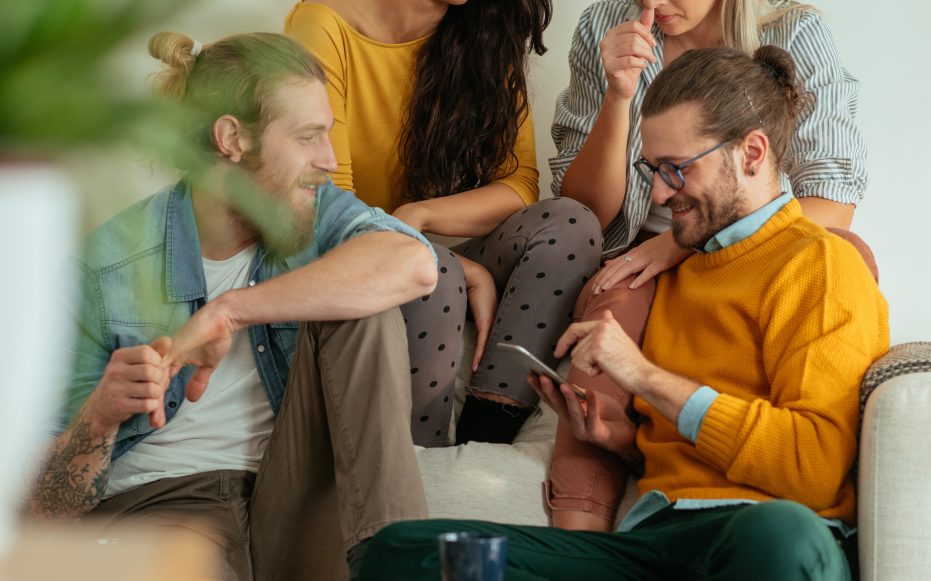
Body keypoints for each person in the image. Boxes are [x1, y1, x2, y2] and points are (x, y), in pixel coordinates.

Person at [360, 45, 890, 581]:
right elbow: (686, 452)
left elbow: (814, 469)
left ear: (751, 154)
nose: (659, 194)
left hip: (758, 544)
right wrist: (618, 438)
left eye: (675, 171)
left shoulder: (821, 266)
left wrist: (642, 375)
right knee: (405, 553)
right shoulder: (674, 275)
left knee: (782, 535)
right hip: (651, 551)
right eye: (652, 170)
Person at [31, 31, 439, 581]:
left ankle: (398, 564)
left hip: (294, 496)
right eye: (308, 137)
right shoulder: (103, 271)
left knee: (367, 309)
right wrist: (100, 416)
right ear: (231, 138)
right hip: (166, 505)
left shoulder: (319, 210)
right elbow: (42, 512)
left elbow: (413, 264)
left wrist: (230, 310)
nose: (330, 159)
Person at [547, 0, 870, 527]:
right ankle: (583, 534)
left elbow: (831, 195)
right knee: (615, 298)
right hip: (640, 245)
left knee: (849, 255)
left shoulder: (793, 32)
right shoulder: (607, 29)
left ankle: (796, 486)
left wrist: (681, 244)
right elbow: (589, 211)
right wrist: (617, 96)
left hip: (754, 239)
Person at [285, 0, 601, 445]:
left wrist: (422, 215)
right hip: (356, 248)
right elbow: (325, 198)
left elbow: (520, 184)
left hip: (429, 235)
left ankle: (488, 430)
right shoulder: (323, 26)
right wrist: (439, 253)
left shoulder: (486, 35)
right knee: (433, 270)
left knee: (570, 223)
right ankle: (423, 457)